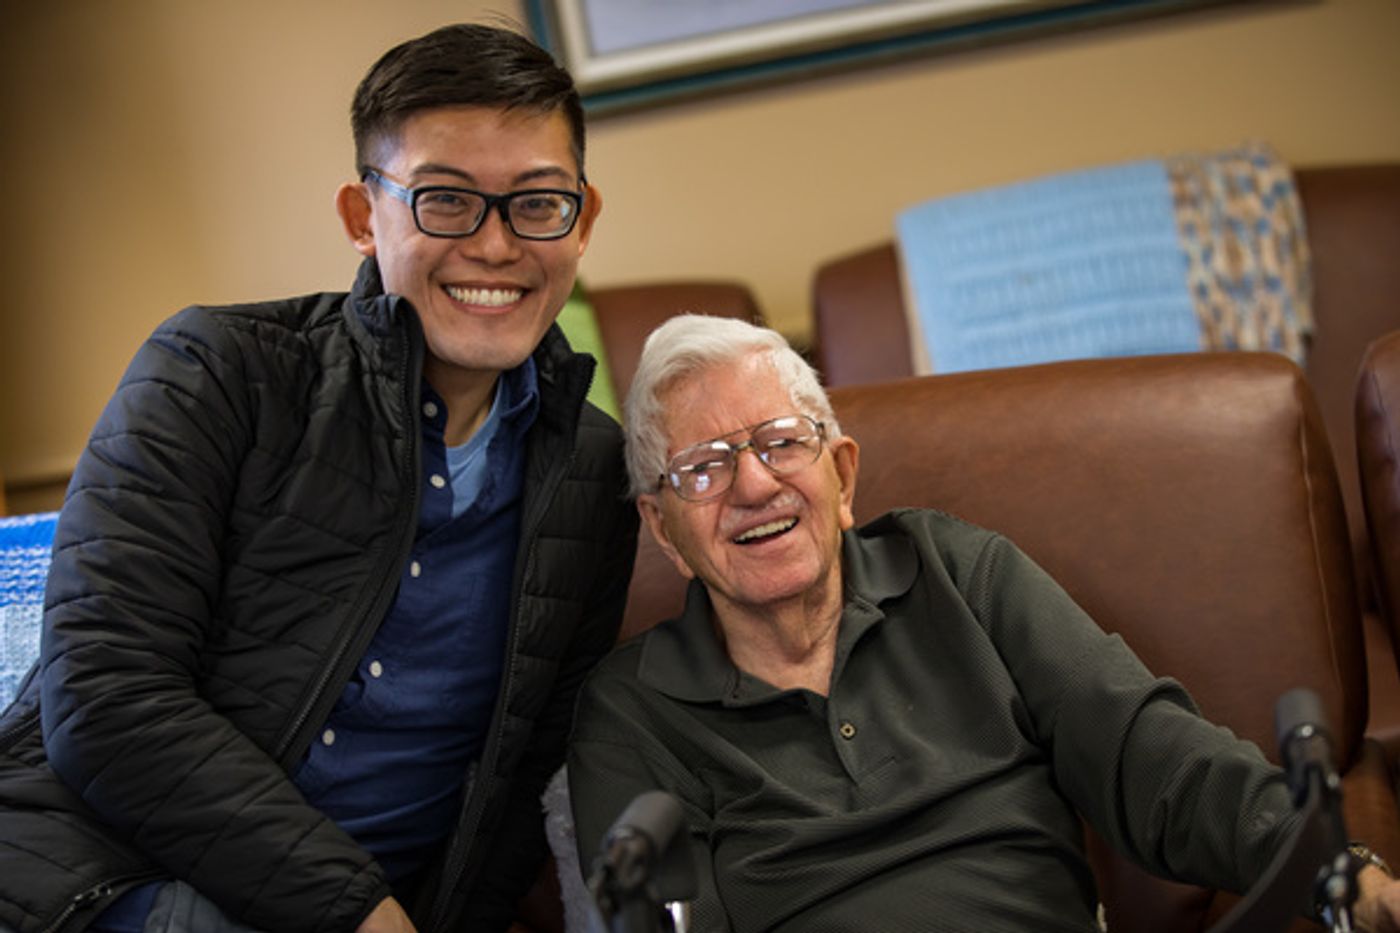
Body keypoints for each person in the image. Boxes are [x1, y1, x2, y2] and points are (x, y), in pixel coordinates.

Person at [0, 22, 638, 933]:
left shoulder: (591, 466)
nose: (496, 247)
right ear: (360, 216)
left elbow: (524, 771)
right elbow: (106, 700)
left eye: (537, 202)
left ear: (584, 219)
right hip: (96, 877)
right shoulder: (215, 371)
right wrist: (361, 915)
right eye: (445, 201)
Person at [566, 314, 1400, 932]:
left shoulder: (956, 572)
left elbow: (1154, 756)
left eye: (782, 442)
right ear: (663, 527)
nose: (754, 484)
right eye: (703, 469)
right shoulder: (630, 715)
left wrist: (1340, 870)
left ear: (842, 473)